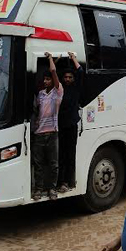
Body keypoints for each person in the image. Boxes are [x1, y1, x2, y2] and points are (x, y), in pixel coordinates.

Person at [32, 52, 64, 200]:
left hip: (52, 133)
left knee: (53, 164)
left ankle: (52, 189)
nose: (46, 81)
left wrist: (51, 59)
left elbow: (53, 71)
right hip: (39, 133)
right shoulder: (40, 94)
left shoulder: (58, 93)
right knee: (38, 164)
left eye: (48, 79)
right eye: (44, 79)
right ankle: (38, 189)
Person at [57, 52, 84, 193]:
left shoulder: (75, 88)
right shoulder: (59, 90)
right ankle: (61, 182)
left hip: (71, 126)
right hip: (60, 126)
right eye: (66, 77)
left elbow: (80, 71)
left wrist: (73, 57)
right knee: (61, 155)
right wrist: (56, 60)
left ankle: (69, 181)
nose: (67, 79)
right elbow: (52, 73)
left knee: (70, 155)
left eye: (70, 77)